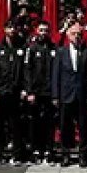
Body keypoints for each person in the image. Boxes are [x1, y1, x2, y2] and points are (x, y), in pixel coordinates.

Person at [52, 24, 87, 167]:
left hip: (81, 95)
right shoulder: (61, 52)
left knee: (83, 127)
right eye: (74, 34)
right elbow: (56, 74)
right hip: (65, 95)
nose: (77, 37)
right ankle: (65, 155)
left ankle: (83, 156)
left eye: (79, 34)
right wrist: (56, 96)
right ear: (68, 35)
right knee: (65, 126)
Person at [0, 22, 27, 166]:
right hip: (1, 91)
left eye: (14, 27)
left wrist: (24, 88)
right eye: (9, 28)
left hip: (16, 92)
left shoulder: (21, 48)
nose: (12, 30)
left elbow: (25, 70)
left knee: (15, 125)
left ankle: (16, 155)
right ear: (4, 30)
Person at [25, 22, 55, 164]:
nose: (43, 33)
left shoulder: (53, 48)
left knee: (49, 122)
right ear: (37, 31)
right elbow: (27, 71)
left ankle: (49, 150)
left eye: (46, 31)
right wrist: (30, 91)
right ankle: (36, 151)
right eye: (41, 30)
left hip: (49, 92)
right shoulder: (31, 49)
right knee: (35, 122)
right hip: (35, 92)